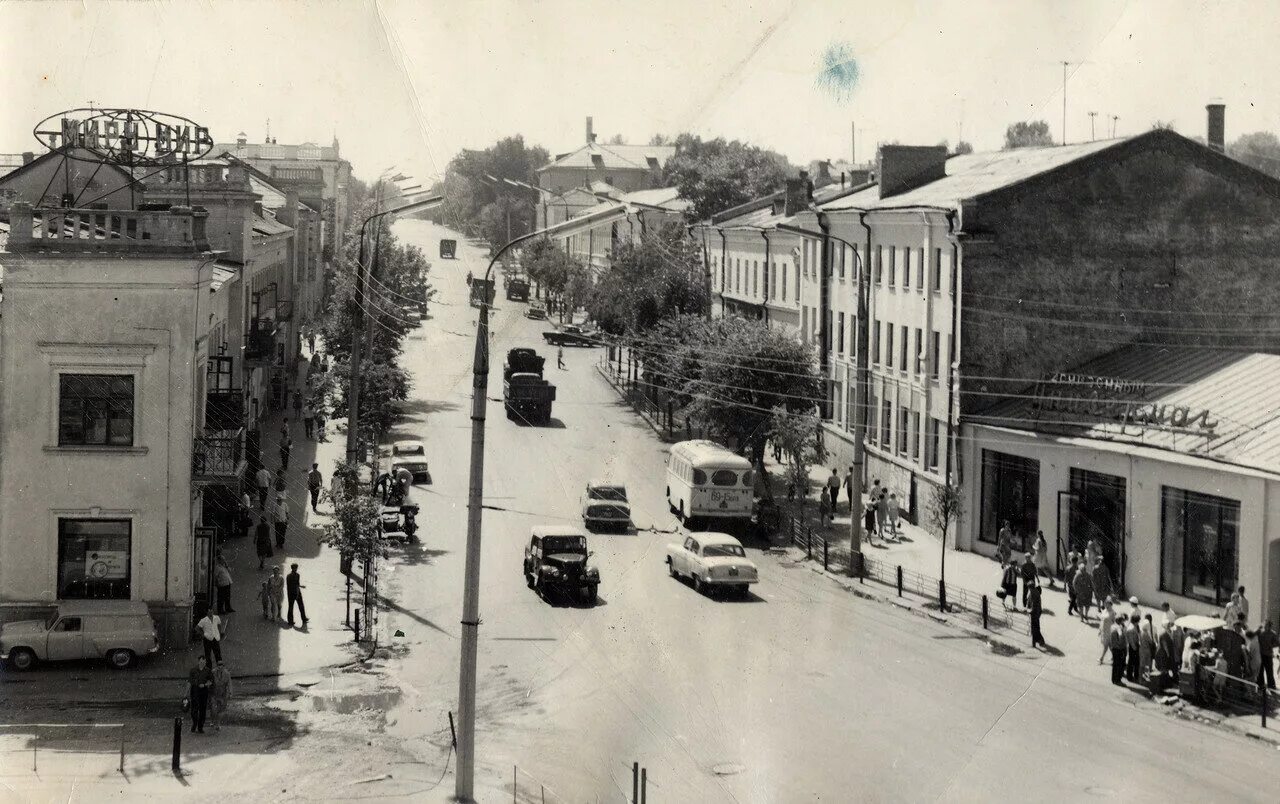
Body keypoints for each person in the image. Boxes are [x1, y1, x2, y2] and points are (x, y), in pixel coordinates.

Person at [188, 656, 214, 734]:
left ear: (205, 662)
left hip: (203, 691)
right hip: (195, 690)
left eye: (204, 662)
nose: (202, 663)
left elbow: (211, 681)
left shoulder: (208, 671)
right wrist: (185, 693)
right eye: (201, 661)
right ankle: (194, 723)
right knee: (194, 709)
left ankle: (200, 727)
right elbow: (189, 681)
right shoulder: (193, 670)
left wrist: (205, 684)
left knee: (203, 709)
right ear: (198, 661)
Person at [210, 661, 232, 732]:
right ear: (217, 666)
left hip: (223, 693)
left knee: (221, 709)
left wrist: (230, 692)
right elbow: (210, 681)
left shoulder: (227, 674)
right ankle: (213, 720)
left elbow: (229, 684)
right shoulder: (213, 672)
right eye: (218, 666)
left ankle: (218, 724)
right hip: (214, 693)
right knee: (213, 709)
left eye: (221, 666)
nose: (220, 667)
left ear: (223, 666)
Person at [1260, 621, 1278, 690]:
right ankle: (1261, 684)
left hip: (1268, 655)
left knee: (1269, 671)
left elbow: (1277, 643)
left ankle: (1271, 685)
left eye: (1267, 625)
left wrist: (1271, 645)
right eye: (1265, 625)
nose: (1265, 627)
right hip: (1261, 654)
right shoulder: (1262, 633)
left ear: (1270, 626)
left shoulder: (1273, 634)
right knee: (1261, 671)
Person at [1109, 616, 1127, 686]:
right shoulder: (1119, 627)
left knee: (1115, 665)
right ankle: (1118, 680)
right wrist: (1121, 643)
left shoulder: (1113, 626)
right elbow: (1120, 635)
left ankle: (1114, 679)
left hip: (1114, 647)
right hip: (1119, 648)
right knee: (1120, 665)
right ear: (1121, 621)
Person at [1098, 599, 1117, 664]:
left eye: (1107, 604)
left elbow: (1115, 622)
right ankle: (1115, 657)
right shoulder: (1104, 610)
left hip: (1109, 631)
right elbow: (1101, 621)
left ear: (1110, 604)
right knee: (1109, 645)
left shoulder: (1112, 612)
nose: (1105, 605)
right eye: (1105, 603)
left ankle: (1101, 658)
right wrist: (1100, 630)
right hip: (1103, 630)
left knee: (1106, 646)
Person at [1029, 581, 1045, 649]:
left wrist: (1030, 611)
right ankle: (1037, 641)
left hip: (1035, 612)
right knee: (1036, 626)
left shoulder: (1033, 593)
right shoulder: (1035, 591)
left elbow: (1033, 604)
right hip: (1038, 611)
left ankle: (1037, 641)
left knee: (1034, 627)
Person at [1139, 614, 1156, 681]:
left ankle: (1142, 677)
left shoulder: (1141, 632)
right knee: (1147, 664)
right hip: (1146, 649)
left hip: (1142, 649)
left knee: (1142, 664)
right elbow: (1151, 641)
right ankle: (1145, 677)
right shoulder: (1146, 633)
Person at [1125, 614, 1141, 683]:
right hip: (1133, 646)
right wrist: (1134, 647)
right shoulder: (1131, 628)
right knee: (1131, 662)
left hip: (1136, 645)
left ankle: (1136, 675)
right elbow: (1130, 640)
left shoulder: (1136, 626)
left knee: (1137, 662)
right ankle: (1129, 676)